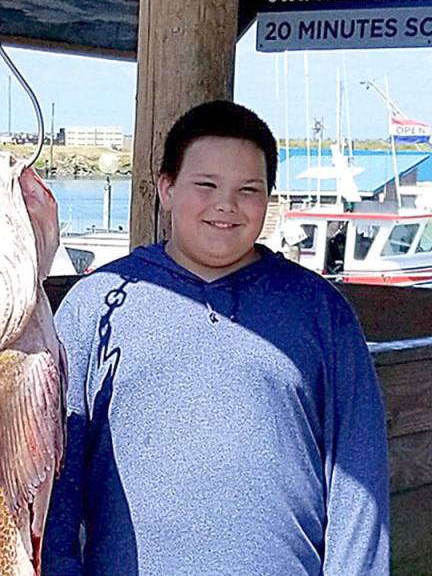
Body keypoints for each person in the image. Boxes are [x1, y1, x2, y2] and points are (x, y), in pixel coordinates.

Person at [44, 100, 389, 574]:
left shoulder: (321, 310)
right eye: (205, 185)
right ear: (166, 187)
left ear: (269, 199)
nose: (226, 205)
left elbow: (358, 476)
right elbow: (55, 476)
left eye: (249, 190)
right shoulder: (94, 303)